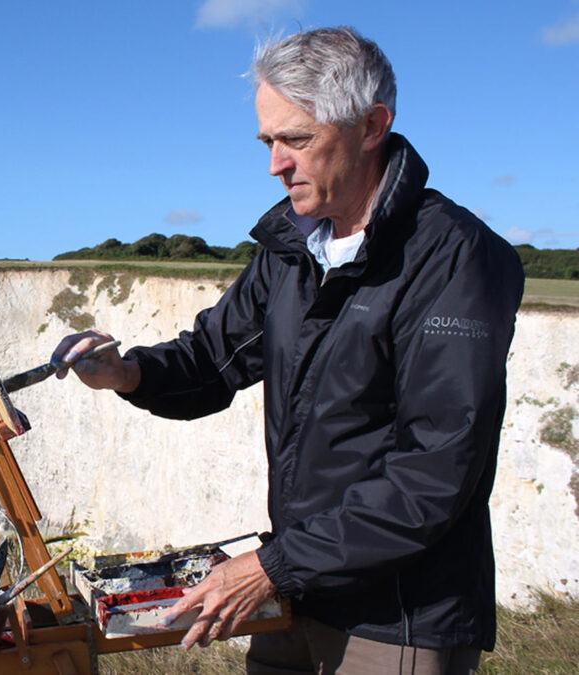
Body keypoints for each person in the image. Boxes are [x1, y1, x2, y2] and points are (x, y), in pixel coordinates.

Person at [52, 26, 524, 674]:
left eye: (296, 139)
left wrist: (272, 566)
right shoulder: (293, 251)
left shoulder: (454, 258)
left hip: (398, 619)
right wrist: (129, 371)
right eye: (269, 140)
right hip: (300, 591)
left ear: (371, 125)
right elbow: (213, 357)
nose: (275, 163)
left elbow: (434, 471)